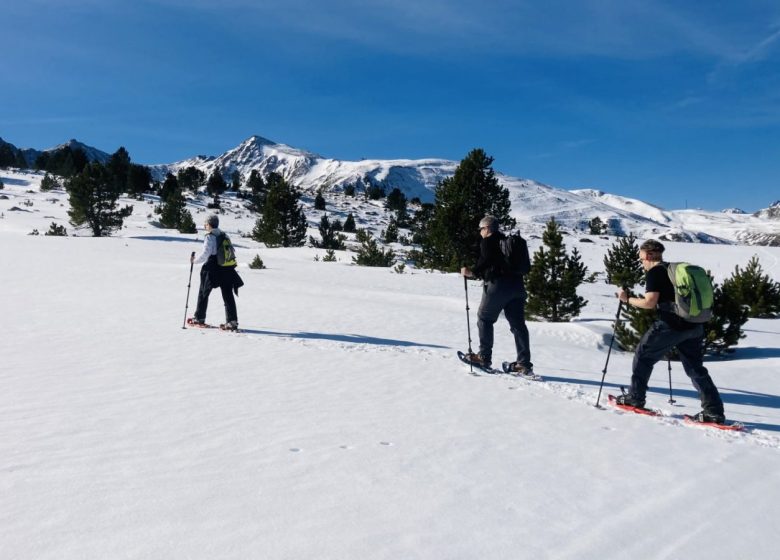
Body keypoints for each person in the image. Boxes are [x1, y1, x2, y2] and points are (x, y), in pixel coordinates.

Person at [615, 239, 725, 423]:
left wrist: (626, 299)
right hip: (694, 325)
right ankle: (713, 412)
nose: (641, 261)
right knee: (695, 368)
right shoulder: (672, 271)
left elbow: (649, 302)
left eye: (641, 258)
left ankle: (635, 398)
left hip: (670, 325)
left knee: (643, 357)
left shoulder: (655, 273)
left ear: (649, 255)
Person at [460, 215, 533, 374]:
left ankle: (484, 357)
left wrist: (472, 272)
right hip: (517, 286)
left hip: (498, 286)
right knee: (518, 325)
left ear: (487, 229)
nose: (480, 232)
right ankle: (523, 364)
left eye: (481, 229)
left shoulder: (488, 241)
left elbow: (486, 260)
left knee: (484, 318)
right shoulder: (507, 241)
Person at [189, 214, 241, 330]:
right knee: (228, 294)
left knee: (203, 292)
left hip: (212, 267)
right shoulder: (224, 235)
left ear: (210, 224)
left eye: (206, 224)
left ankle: (199, 318)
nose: (204, 226)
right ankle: (232, 321)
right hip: (227, 268)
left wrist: (195, 261)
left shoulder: (210, 236)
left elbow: (206, 253)